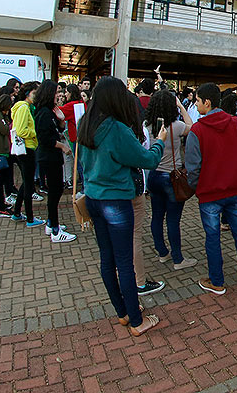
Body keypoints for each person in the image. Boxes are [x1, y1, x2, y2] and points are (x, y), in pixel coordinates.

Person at [77, 76, 165, 335]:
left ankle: (123, 312)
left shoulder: (86, 124)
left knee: (108, 259)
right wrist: (159, 141)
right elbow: (146, 159)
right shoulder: (116, 129)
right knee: (124, 262)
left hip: (93, 198)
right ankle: (137, 321)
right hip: (115, 201)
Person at [185, 83, 237, 295]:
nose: (196, 104)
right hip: (234, 191)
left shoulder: (197, 130)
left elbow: (192, 168)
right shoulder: (235, 123)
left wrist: (197, 186)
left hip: (209, 194)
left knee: (212, 237)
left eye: (198, 101)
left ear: (207, 102)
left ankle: (217, 281)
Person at [144, 90, 196, 269]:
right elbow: (191, 125)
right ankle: (178, 259)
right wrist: (181, 106)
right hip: (171, 177)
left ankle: (162, 252)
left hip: (153, 176)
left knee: (157, 216)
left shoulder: (147, 125)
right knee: (173, 219)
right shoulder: (176, 126)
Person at [34, 80, 75, 242]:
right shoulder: (43, 112)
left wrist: (61, 120)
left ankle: (52, 223)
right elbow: (45, 138)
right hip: (49, 156)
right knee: (54, 191)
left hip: (53, 157)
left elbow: (57, 129)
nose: (59, 95)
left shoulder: (50, 112)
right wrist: (62, 146)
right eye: (56, 92)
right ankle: (55, 230)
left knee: (56, 191)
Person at [11, 82, 45, 227]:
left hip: (27, 148)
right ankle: (30, 218)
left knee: (27, 182)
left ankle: (17, 212)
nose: (36, 96)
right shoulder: (24, 108)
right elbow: (21, 130)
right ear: (27, 93)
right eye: (34, 93)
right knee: (28, 184)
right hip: (27, 148)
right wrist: (35, 133)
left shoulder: (24, 107)